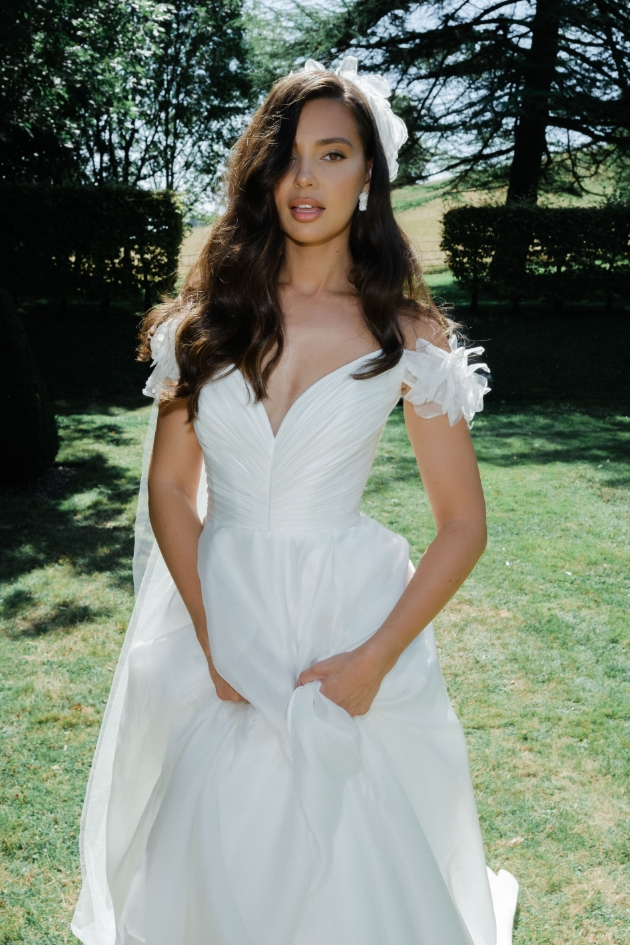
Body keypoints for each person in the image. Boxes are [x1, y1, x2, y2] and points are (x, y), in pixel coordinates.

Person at [72, 57, 518, 945]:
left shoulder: (405, 333)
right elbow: (170, 486)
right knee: (221, 829)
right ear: (263, 170)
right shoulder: (208, 320)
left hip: (344, 615)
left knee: (352, 847)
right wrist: (213, 633)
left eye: (333, 155)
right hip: (223, 595)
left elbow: (463, 524)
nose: (306, 179)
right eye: (289, 156)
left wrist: (373, 660)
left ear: (368, 174)